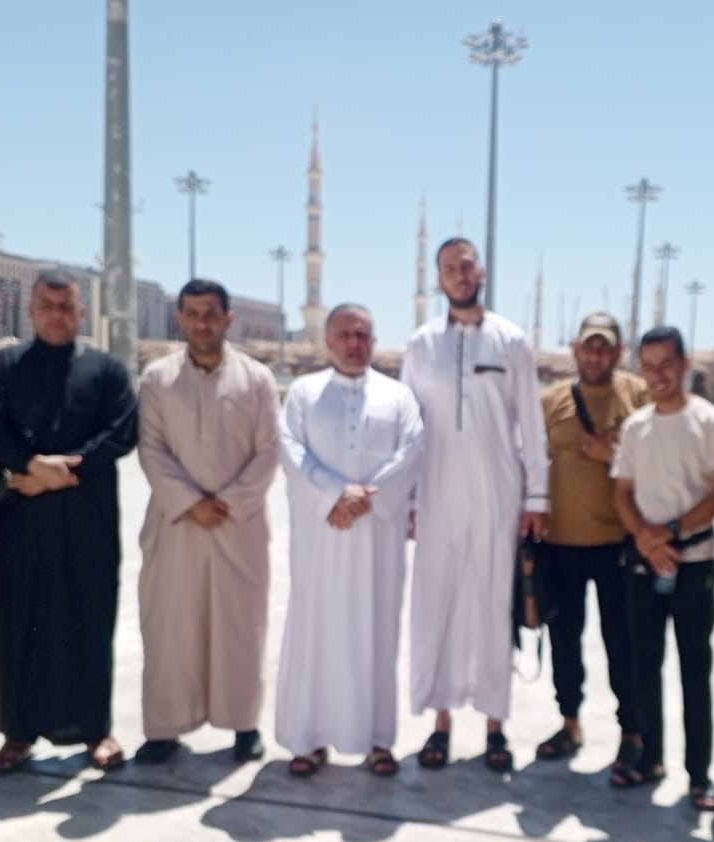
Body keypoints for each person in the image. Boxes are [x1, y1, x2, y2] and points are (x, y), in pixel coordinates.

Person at [0, 269, 138, 772]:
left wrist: (59, 473)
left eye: (66, 306)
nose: (57, 314)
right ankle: (18, 733)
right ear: (31, 311)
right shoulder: (5, 366)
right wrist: (30, 465)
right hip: (20, 517)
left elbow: (121, 431)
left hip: (87, 516)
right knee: (19, 620)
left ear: (81, 312)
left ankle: (95, 728)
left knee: (90, 619)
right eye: (47, 305)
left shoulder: (107, 370)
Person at [399, 237, 549, 772]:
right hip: (436, 493)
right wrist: (407, 497)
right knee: (436, 605)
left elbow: (531, 422)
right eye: (449, 268)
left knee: (490, 606)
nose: (460, 275)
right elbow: (407, 425)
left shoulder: (510, 340)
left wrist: (537, 495)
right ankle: (440, 725)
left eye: (466, 265)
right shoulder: (422, 344)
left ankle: (494, 727)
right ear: (438, 279)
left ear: (480, 271)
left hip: (496, 494)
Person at [275, 305, 425, 777]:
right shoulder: (304, 393)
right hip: (322, 538)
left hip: (378, 538)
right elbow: (291, 451)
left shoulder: (398, 397)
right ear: (328, 341)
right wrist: (336, 494)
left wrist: (365, 498)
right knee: (316, 631)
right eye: (345, 335)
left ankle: (378, 741)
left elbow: (413, 451)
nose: (354, 343)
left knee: (376, 632)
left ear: (373, 340)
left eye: (363, 335)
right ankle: (309, 739)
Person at [135, 280, 280, 766]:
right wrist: (191, 502)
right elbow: (151, 448)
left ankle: (243, 723)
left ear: (227, 319)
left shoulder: (257, 379)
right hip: (177, 525)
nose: (202, 323)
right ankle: (165, 727)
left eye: (211, 314)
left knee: (239, 627)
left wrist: (230, 502)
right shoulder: (158, 379)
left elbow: (269, 451)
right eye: (193, 313)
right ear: (180, 318)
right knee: (171, 629)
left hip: (238, 527)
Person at [610, 327, 714, 802]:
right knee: (645, 665)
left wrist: (673, 531)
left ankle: (699, 775)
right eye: (649, 366)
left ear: (684, 364)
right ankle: (650, 758)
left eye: (666, 364)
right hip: (643, 563)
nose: (658, 375)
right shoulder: (635, 427)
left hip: (694, 562)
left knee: (694, 669)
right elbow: (622, 491)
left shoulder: (712, 423)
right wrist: (645, 536)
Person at [532, 312, 646, 768]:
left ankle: (631, 731)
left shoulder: (638, 395)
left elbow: (653, 463)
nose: (596, 355)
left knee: (623, 641)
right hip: (560, 543)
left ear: (618, 352)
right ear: (575, 349)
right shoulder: (550, 401)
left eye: (605, 347)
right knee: (565, 639)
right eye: (588, 347)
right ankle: (569, 723)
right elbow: (530, 462)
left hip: (618, 542)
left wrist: (610, 454)